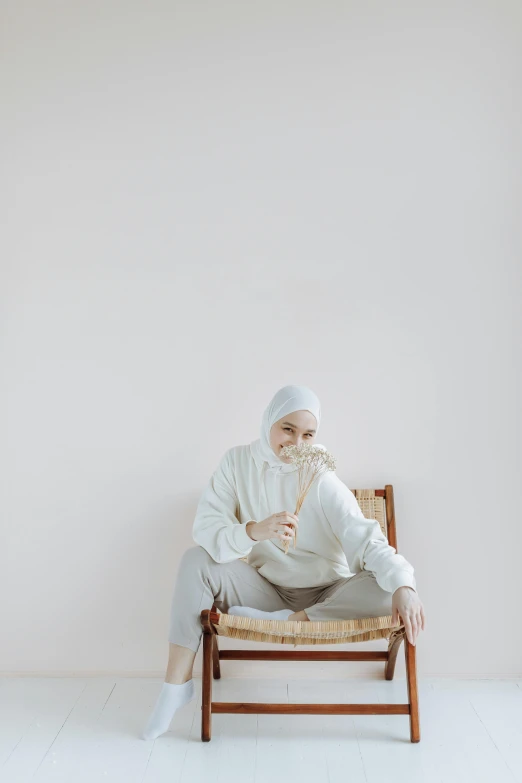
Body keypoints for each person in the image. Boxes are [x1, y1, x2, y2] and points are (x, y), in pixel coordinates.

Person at [141, 384, 425, 740]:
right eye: (287, 429)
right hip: (266, 591)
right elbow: (206, 528)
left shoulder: (320, 475)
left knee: (391, 591)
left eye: (308, 434)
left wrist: (404, 585)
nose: (296, 443)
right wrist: (254, 530)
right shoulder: (237, 462)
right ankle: (174, 688)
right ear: (269, 421)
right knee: (195, 561)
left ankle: (294, 621)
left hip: (330, 597)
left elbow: (367, 539)